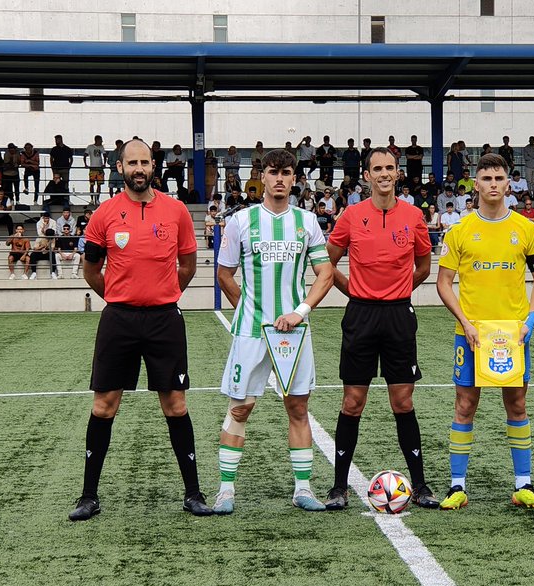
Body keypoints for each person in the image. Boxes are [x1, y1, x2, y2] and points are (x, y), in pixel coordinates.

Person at [68, 138, 210, 521]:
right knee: (104, 405)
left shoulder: (176, 211)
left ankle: (193, 493)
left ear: (154, 165)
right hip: (119, 320)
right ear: (120, 168)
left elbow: (188, 265)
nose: (140, 168)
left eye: (145, 161)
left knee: (175, 404)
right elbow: (91, 270)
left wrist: (165, 295)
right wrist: (117, 297)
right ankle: (88, 496)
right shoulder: (104, 214)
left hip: (165, 319)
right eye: (132, 162)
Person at [213, 148, 335, 515]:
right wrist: (249, 310)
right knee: (240, 409)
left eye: (286, 172)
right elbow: (224, 274)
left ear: (294, 178)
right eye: (273, 172)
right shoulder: (241, 221)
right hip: (252, 332)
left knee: (297, 407)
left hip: (294, 334)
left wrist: (300, 311)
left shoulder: (307, 221)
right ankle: (225, 490)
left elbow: (325, 273)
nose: (279, 178)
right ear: (261, 177)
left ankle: (302, 488)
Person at [322, 147, 438, 511]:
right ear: (367, 175)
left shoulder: (414, 215)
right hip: (360, 316)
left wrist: (398, 292)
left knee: (402, 401)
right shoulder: (352, 215)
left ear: (397, 173)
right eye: (377, 168)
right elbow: (326, 262)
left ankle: (419, 485)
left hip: (399, 317)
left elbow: (423, 266)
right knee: (353, 402)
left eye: (390, 167)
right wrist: (354, 292)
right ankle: (338, 487)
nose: (384, 173)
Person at [435, 153, 534, 510]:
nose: (494, 184)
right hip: (470, 334)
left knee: (517, 403)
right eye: (487, 178)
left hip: (513, 335)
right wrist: (466, 323)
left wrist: (530, 319)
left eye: (499, 178)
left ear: (509, 182)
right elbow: (443, 283)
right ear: (476, 183)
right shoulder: (460, 231)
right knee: (465, 404)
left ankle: (523, 485)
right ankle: (457, 487)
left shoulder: (526, 229)